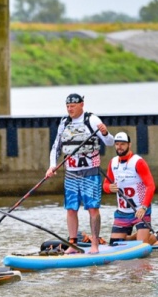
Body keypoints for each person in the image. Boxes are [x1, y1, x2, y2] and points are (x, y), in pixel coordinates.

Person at [45, 93, 114, 254]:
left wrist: (105, 133)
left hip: (90, 172)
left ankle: (95, 244)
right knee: (71, 209)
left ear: (81, 105)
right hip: (71, 173)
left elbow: (110, 142)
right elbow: (56, 146)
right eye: (68, 106)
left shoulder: (92, 120)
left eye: (73, 106)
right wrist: (52, 166)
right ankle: (73, 244)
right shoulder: (65, 122)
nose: (70, 109)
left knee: (92, 208)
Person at [103, 131, 157, 247]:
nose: (119, 147)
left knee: (141, 246)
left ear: (129, 145)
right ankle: (149, 236)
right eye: (117, 144)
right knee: (115, 246)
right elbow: (105, 185)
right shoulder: (113, 162)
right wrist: (109, 188)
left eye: (122, 144)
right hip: (122, 212)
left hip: (139, 211)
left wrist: (143, 207)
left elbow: (151, 186)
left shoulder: (138, 162)